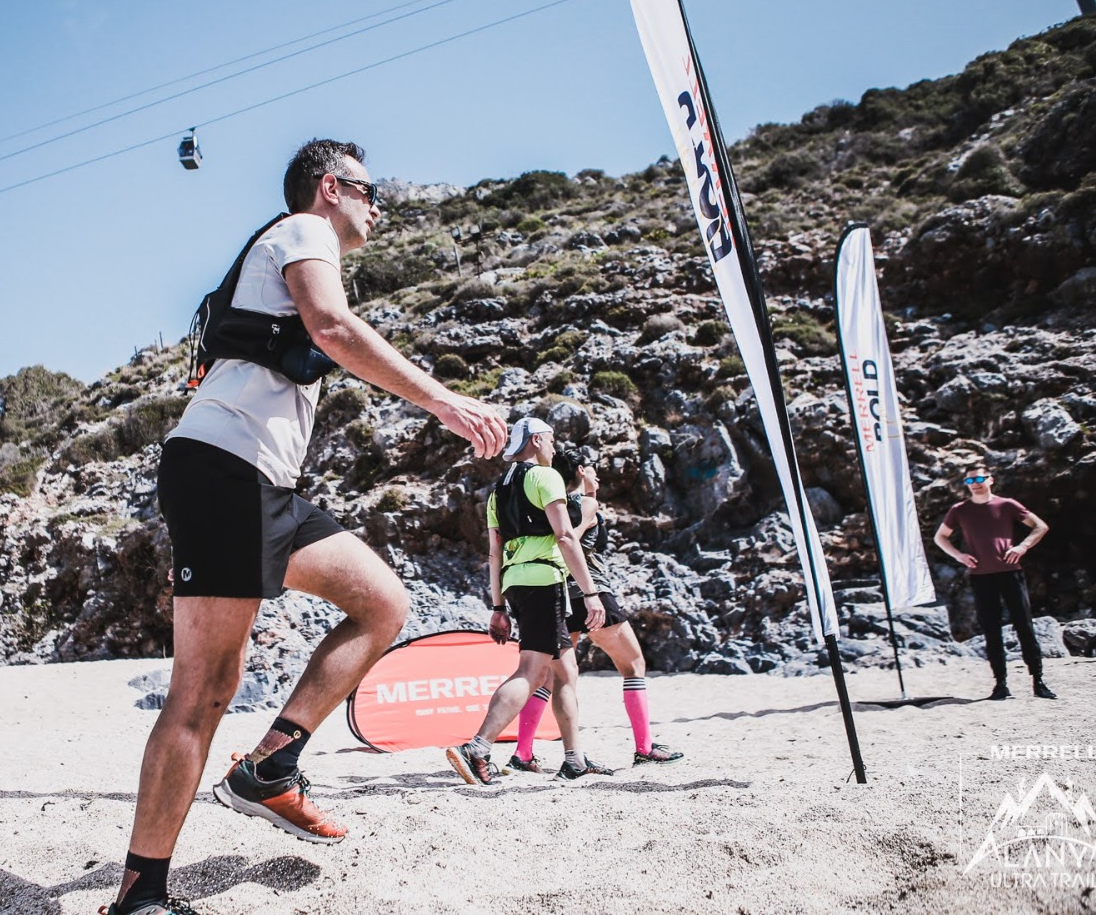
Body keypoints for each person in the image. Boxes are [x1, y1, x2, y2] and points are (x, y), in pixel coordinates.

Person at [103, 140, 506, 915]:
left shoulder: (302, 242)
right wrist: (448, 405)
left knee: (382, 603)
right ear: (331, 188)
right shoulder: (302, 230)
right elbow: (332, 327)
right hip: (223, 470)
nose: (378, 206)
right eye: (369, 190)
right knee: (204, 690)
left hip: (266, 486)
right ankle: (139, 895)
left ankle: (269, 768)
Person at [444, 417, 611, 787]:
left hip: (516, 583)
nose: (554, 448)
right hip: (544, 581)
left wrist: (499, 607)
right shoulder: (545, 476)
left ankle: (574, 759)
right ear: (537, 440)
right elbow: (565, 536)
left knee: (566, 671)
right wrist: (591, 593)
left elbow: (494, 553)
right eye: (551, 441)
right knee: (531, 671)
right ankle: (478, 748)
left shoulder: (497, 491)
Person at [507, 450, 683, 772]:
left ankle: (523, 752)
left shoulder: (550, 504)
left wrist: (590, 494)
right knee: (634, 665)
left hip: (559, 592)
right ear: (580, 470)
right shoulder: (584, 504)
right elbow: (572, 536)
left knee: (553, 679)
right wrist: (591, 502)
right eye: (592, 470)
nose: (597, 476)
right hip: (592, 591)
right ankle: (644, 748)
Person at [933, 461, 1055, 701]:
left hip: (1010, 573)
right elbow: (941, 537)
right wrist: (959, 555)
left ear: (990, 480)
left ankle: (1038, 682)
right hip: (981, 577)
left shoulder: (1006, 505)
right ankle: (1000, 685)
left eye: (979, 479)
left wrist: (1022, 546)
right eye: (969, 481)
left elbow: (1040, 526)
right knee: (991, 630)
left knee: (1024, 626)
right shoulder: (960, 510)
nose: (975, 484)